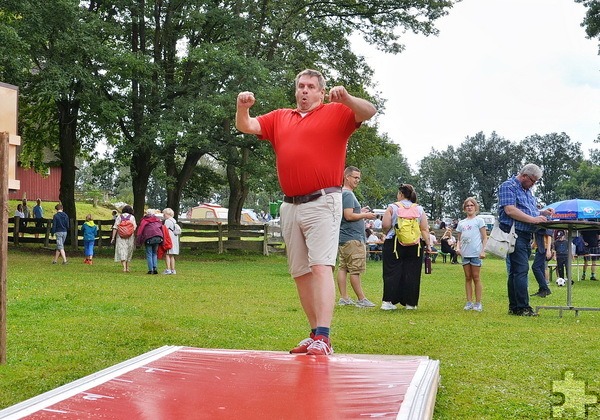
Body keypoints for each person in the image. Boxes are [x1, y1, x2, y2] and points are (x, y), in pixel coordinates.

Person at [236, 68, 376, 355]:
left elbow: (370, 111)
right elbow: (246, 126)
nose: (304, 90)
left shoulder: (336, 112)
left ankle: (324, 336)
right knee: (300, 272)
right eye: (301, 86)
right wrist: (242, 107)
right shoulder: (279, 118)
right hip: (290, 205)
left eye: (311, 86)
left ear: (321, 92)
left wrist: (347, 98)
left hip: (323, 201)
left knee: (321, 266)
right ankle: (314, 333)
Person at [498, 163, 554, 317]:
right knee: (521, 271)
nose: (533, 185)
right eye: (533, 181)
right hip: (515, 234)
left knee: (516, 272)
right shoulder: (508, 186)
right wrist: (534, 219)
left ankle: (515, 307)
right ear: (524, 176)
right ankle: (523, 307)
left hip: (525, 234)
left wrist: (542, 212)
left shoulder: (527, 191)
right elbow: (510, 210)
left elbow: (529, 210)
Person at [380, 183, 432, 311]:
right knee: (412, 273)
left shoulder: (392, 207)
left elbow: (385, 225)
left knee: (391, 272)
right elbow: (424, 229)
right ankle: (410, 303)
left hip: (394, 243)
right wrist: (428, 245)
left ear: (401, 194)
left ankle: (388, 301)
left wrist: (387, 232)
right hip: (415, 244)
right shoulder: (419, 209)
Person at [336, 166, 377, 307]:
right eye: (355, 177)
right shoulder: (348, 194)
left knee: (343, 267)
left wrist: (360, 211)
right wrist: (365, 215)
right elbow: (348, 215)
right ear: (347, 177)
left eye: (359, 178)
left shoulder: (342, 193)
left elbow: (349, 212)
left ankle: (344, 298)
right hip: (353, 238)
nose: (357, 180)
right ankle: (361, 299)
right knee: (355, 269)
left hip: (344, 238)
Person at [456, 197, 488, 311]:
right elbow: (459, 239)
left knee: (476, 277)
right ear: (464, 208)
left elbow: (484, 237)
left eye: (471, 205)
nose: (469, 207)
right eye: (467, 206)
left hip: (476, 253)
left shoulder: (479, 221)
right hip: (465, 253)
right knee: (467, 277)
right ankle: (469, 301)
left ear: (475, 207)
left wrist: (483, 250)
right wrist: (458, 247)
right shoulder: (461, 223)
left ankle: (478, 302)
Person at [136, 209, 164, 275]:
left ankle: (150, 270)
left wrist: (138, 240)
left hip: (148, 238)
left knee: (149, 253)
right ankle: (155, 268)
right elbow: (161, 228)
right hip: (157, 237)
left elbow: (140, 230)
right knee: (155, 253)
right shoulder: (157, 220)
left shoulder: (144, 220)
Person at [111, 205, 137, 273]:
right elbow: (134, 227)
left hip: (120, 236)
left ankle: (124, 267)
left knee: (122, 250)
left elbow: (115, 227)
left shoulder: (119, 217)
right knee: (128, 250)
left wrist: (113, 237)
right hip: (130, 236)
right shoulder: (132, 217)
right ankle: (127, 267)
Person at [530, 228, 553, 297]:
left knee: (535, 267)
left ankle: (545, 288)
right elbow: (536, 239)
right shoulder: (535, 226)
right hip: (539, 249)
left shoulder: (543, 222)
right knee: (541, 268)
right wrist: (531, 247)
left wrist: (548, 250)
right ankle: (542, 290)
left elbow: (549, 236)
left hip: (544, 249)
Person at [162, 207, 180, 275]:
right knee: (172, 255)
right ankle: (173, 270)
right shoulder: (174, 220)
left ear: (167, 214)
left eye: (164, 214)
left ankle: (168, 269)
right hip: (174, 238)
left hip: (169, 239)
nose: (164, 215)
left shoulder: (167, 221)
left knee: (167, 254)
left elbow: (164, 229)